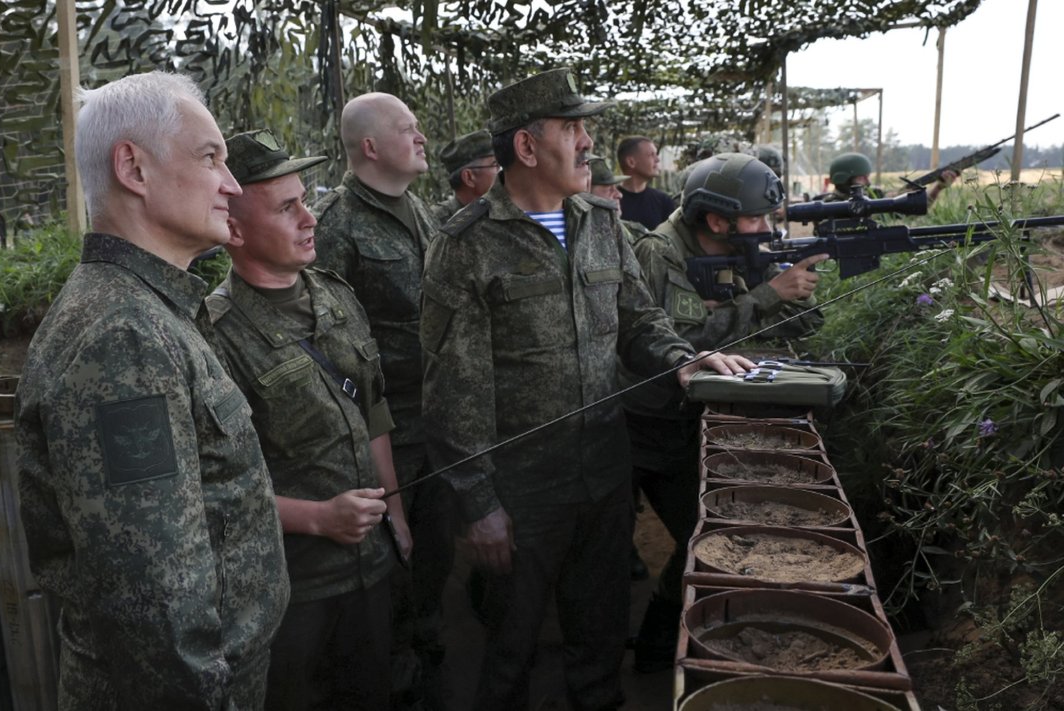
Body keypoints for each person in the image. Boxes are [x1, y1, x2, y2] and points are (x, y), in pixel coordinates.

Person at [420, 68, 754, 710]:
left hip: (603, 471)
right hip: (520, 489)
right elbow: (452, 386)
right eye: (572, 128)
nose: (587, 141)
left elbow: (639, 319)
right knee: (511, 649)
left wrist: (683, 361)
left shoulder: (602, 223)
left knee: (599, 637)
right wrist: (478, 501)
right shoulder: (465, 247)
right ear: (526, 147)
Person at [15, 71, 288, 709]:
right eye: (210, 158)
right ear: (133, 168)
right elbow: (154, 602)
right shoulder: (122, 339)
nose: (232, 184)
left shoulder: (147, 313)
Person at [208, 129, 411, 709]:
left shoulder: (335, 296)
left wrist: (395, 512)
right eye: (286, 207)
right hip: (294, 586)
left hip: (371, 562)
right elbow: (210, 487)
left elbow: (372, 411)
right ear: (235, 229)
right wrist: (318, 519)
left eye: (306, 199)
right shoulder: (216, 335)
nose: (309, 218)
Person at [620, 152, 827, 673]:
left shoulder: (735, 248)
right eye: (757, 219)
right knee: (606, 555)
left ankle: (658, 642)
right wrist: (763, 296)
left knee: (703, 534)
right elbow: (683, 346)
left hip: (688, 420)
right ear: (717, 221)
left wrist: (784, 287)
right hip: (638, 426)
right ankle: (626, 659)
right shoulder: (660, 253)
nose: (765, 228)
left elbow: (806, 325)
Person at [312, 92, 450, 706]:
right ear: (370, 147)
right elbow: (325, 340)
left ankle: (425, 650)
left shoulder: (420, 211)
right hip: (382, 432)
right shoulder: (335, 224)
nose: (420, 137)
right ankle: (398, 678)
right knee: (390, 565)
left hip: (439, 418)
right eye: (407, 128)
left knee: (434, 556)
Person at [824, 151, 956, 204]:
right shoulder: (830, 205)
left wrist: (938, 187)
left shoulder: (875, 195)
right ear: (844, 179)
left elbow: (919, 206)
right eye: (862, 178)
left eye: (867, 177)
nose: (868, 182)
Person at [432, 129, 499, 225]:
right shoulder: (437, 222)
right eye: (495, 164)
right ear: (469, 177)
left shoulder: (503, 211)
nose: (501, 170)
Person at [616, 135, 675, 229]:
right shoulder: (613, 199)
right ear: (631, 162)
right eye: (651, 154)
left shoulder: (664, 201)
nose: (657, 159)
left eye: (656, 154)